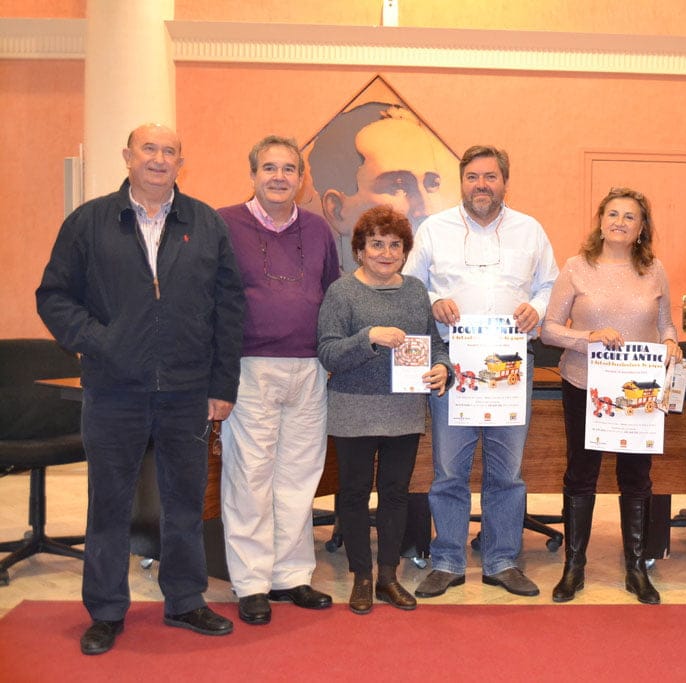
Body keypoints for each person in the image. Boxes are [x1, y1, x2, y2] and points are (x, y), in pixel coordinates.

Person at [36, 124, 246, 655]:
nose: (158, 158)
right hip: (113, 390)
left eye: (169, 150)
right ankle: (106, 611)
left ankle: (184, 600)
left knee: (183, 502)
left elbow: (229, 308)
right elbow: (54, 296)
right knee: (108, 504)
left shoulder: (206, 223)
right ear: (128, 156)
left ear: (182, 161)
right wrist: (99, 341)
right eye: (148, 149)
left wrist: (222, 384)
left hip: (187, 391)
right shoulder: (89, 222)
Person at [403, 145, 559, 598]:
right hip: (453, 364)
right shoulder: (435, 229)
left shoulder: (530, 230)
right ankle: (448, 559)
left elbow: (549, 283)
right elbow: (412, 284)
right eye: (473, 177)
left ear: (505, 182)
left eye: (490, 177)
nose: (481, 185)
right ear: (462, 181)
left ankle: (501, 559)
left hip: (511, 363)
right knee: (449, 469)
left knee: (506, 471)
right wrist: (433, 301)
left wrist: (538, 306)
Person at [217, 135, 340, 626]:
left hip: (309, 368)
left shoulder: (318, 229)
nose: (279, 177)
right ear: (252, 174)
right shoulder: (223, 224)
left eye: (289, 169)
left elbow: (331, 294)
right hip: (250, 368)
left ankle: (291, 575)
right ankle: (251, 582)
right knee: (249, 478)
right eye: (269, 168)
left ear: (301, 178)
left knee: (298, 477)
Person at [541, 187, 682, 605]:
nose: (620, 222)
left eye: (630, 217)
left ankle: (636, 568)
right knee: (581, 474)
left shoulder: (654, 270)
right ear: (600, 221)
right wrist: (589, 337)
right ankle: (574, 566)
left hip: (637, 394)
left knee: (636, 478)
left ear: (642, 228)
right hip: (585, 385)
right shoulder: (576, 267)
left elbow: (667, 326)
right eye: (613, 214)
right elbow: (548, 329)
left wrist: (672, 344)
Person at [317, 205, 451, 614]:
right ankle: (361, 576)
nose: (386, 252)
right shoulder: (341, 292)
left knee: (396, 496)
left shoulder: (414, 291)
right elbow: (327, 352)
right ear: (359, 249)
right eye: (376, 244)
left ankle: (388, 576)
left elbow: (436, 344)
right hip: (353, 412)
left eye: (395, 245)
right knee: (354, 495)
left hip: (404, 412)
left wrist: (442, 368)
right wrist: (368, 337)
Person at [308, 103, 460, 273]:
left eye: (431, 184)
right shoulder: (329, 290)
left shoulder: (439, 286)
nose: (426, 210)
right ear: (337, 209)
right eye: (398, 185)